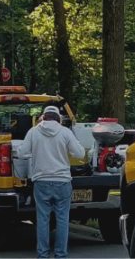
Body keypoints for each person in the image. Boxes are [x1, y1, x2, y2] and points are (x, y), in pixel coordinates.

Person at [20, 106, 84, 259]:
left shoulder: (33, 132)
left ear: (43, 117)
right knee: (62, 219)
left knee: (43, 219)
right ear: (58, 118)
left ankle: (43, 254)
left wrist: (35, 153)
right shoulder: (65, 132)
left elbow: (22, 152)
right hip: (62, 181)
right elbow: (80, 153)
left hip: (41, 181)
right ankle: (61, 254)